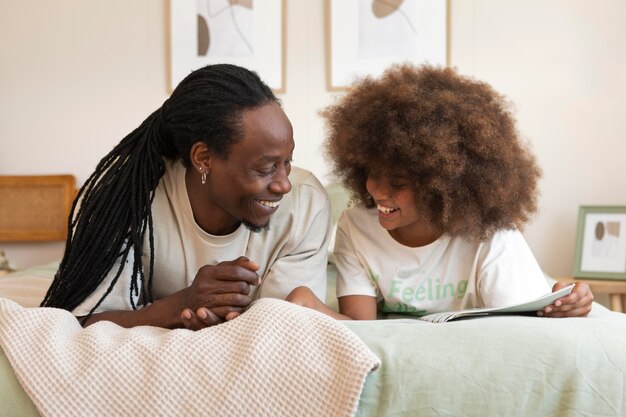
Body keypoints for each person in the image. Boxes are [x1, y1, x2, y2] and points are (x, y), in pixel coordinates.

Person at [287, 64, 593, 319]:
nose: (378, 191)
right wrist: (312, 306)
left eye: (399, 182)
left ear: (443, 185)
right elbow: (361, 330)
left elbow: (526, 324)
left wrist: (567, 303)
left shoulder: (489, 234)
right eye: (372, 173)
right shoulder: (356, 226)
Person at [41, 64, 331, 329]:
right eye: (265, 168)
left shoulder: (305, 204)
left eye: (288, 162)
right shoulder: (124, 198)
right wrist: (183, 303)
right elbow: (84, 321)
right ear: (203, 158)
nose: (284, 184)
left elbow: (286, 325)